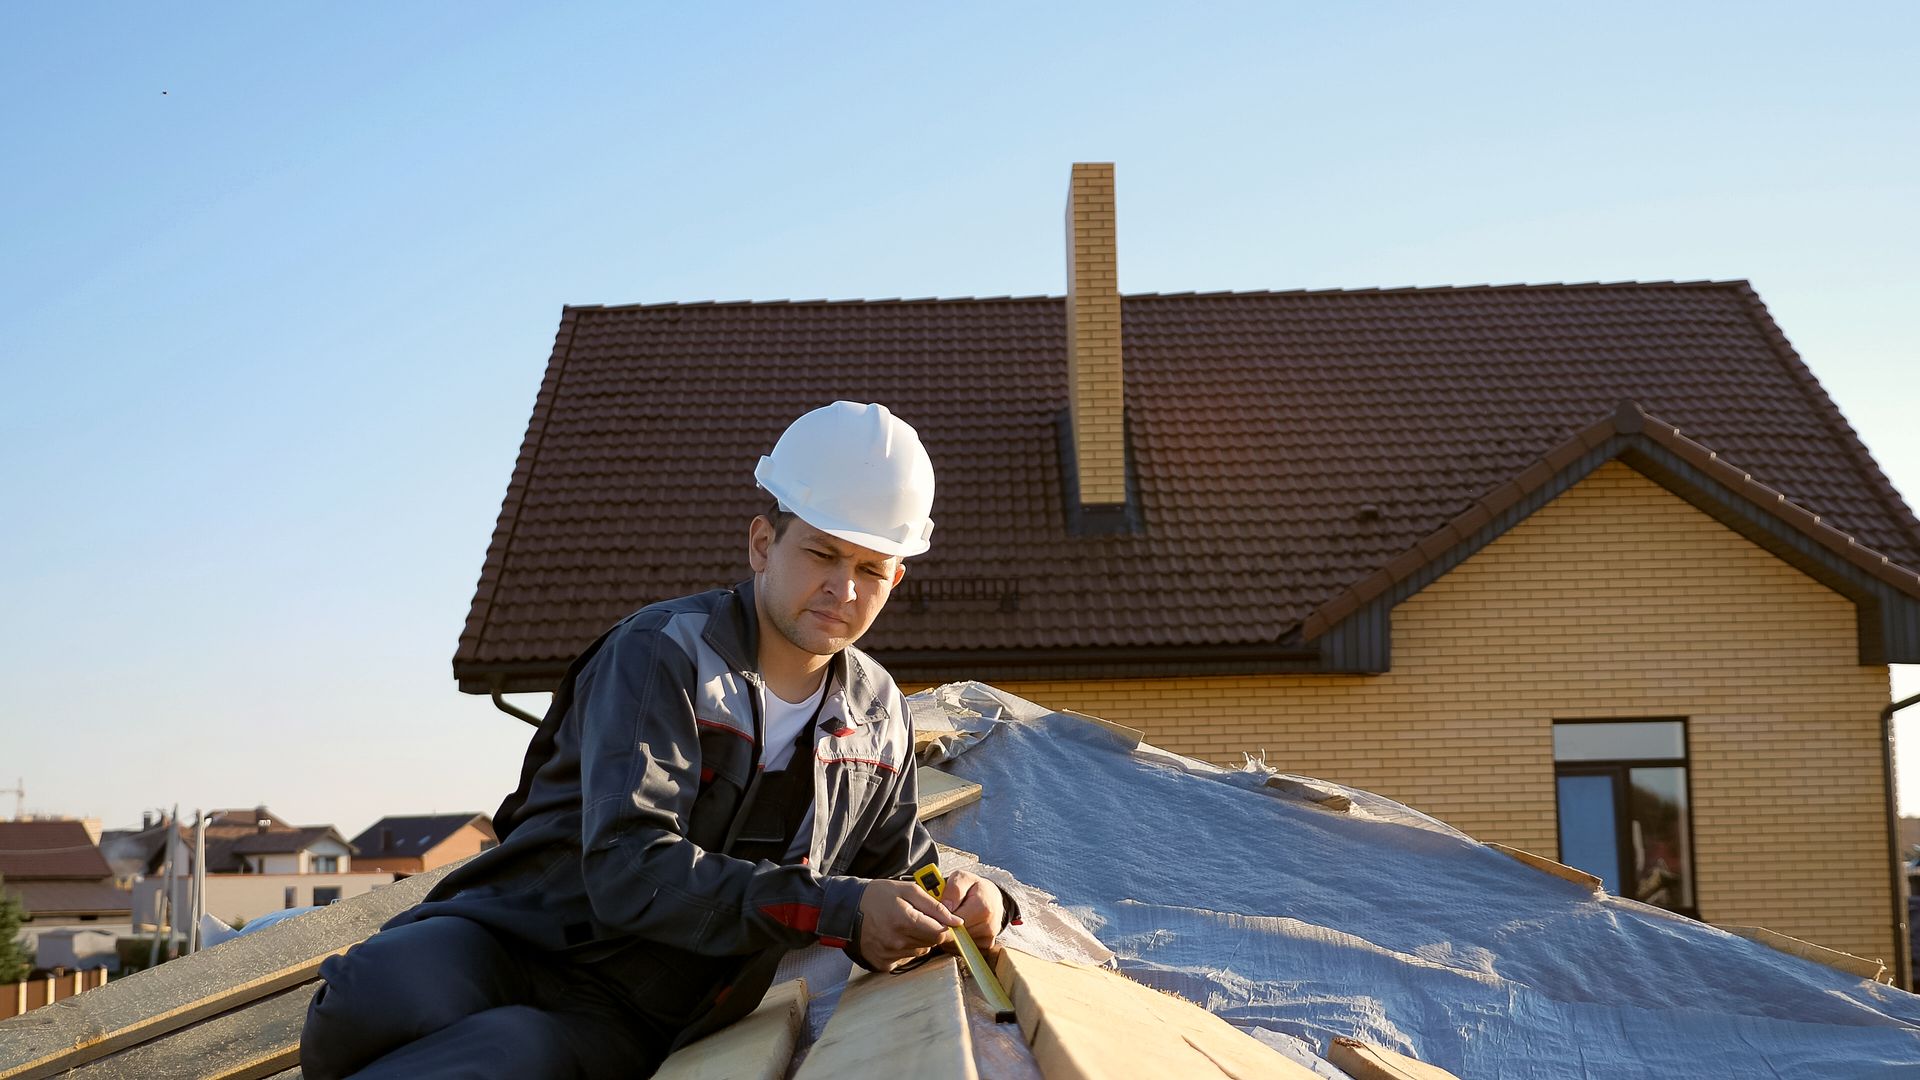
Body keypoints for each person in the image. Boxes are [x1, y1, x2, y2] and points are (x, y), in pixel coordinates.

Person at [301, 401, 1013, 1079]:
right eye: (822, 554)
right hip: (511, 937)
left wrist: (974, 904)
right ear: (763, 543)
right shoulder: (664, 656)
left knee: (505, 1058)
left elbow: (904, 873)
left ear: (897, 577)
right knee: (372, 1001)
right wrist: (839, 910)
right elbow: (627, 866)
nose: (843, 590)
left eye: (870, 570)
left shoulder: (878, 717)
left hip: (638, 1011)